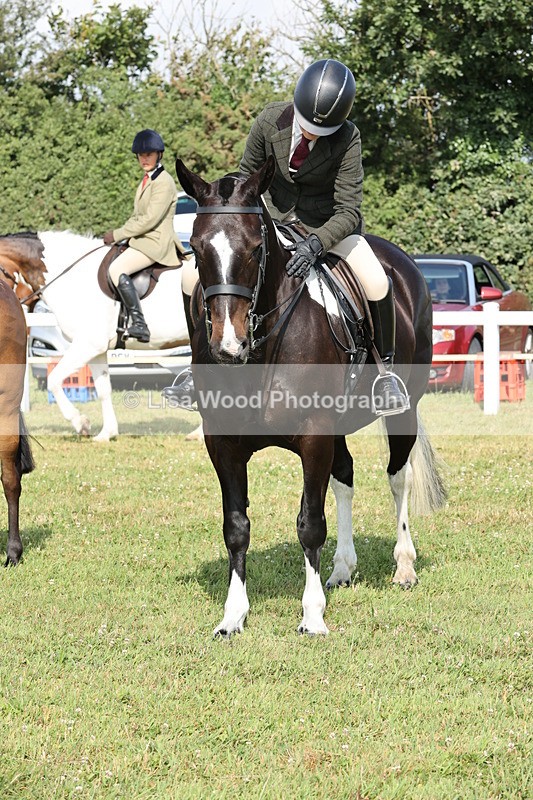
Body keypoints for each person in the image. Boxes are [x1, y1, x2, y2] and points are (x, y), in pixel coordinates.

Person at [165, 59, 408, 414]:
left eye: (319, 133)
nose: (310, 135)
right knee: (190, 275)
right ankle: (195, 367)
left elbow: (349, 210)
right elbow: (245, 182)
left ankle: (385, 374)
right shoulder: (269, 121)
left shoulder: (347, 137)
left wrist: (316, 243)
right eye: (307, 127)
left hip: (327, 227)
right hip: (271, 223)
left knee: (376, 281)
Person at [103, 129, 184, 343]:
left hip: (156, 244)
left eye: (149, 154)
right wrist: (122, 237)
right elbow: (136, 216)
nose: (144, 159)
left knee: (116, 268)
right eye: (141, 155)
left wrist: (117, 234)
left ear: (159, 155)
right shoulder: (147, 180)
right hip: (142, 241)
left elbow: (149, 219)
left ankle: (139, 323)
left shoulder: (163, 182)